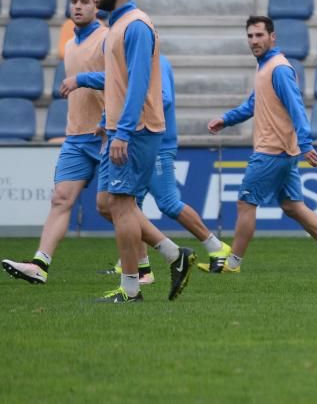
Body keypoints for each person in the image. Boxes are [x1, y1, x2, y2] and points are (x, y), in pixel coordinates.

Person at [88, 0, 196, 303]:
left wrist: (122, 131)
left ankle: (131, 289)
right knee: (106, 203)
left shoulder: (135, 25)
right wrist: (107, 122)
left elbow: (137, 84)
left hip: (136, 131)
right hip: (119, 128)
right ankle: (173, 254)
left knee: (120, 205)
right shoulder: (116, 26)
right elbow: (117, 82)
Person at [66, 54, 233, 281]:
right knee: (129, 204)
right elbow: (116, 82)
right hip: (139, 143)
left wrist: (124, 114)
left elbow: (162, 99)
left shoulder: (157, 62)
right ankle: (138, 266)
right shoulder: (134, 62)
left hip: (156, 144)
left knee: (167, 202)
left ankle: (216, 247)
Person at [206, 16, 317, 274]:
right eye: (250, 36)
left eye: (259, 35)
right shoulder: (265, 67)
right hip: (284, 151)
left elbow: (297, 108)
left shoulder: (279, 69)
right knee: (292, 205)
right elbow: (253, 104)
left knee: (245, 204)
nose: (254, 41)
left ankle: (233, 264)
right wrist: (226, 119)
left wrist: (306, 143)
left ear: (273, 37)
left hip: (271, 150)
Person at [2, 0, 106, 285]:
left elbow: (121, 78)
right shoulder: (70, 45)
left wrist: (110, 117)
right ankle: (40, 264)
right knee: (60, 199)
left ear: (97, 5)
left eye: (85, 1)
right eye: (74, 1)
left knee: (116, 207)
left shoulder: (108, 38)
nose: (77, 6)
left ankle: (158, 260)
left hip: (106, 135)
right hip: (77, 136)